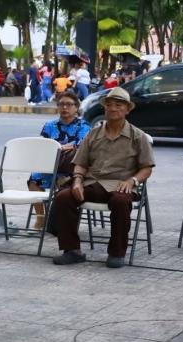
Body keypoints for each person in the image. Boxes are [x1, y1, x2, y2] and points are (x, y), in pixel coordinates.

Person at [50, 87, 155, 269]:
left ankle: (116, 252)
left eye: (118, 105)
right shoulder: (93, 133)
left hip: (120, 185)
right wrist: (76, 181)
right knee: (63, 197)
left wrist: (132, 181)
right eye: (109, 105)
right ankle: (72, 250)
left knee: (120, 202)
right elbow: (80, 162)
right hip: (93, 183)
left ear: (127, 109)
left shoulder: (138, 136)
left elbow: (146, 168)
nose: (113, 108)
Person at [28, 91, 90, 228]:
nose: (64, 108)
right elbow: (42, 145)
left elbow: (82, 146)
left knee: (66, 181)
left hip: (72, 169)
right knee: (34, 179)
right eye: (61, 104)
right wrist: (61, 147)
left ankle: (62, 222)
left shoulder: (84, 126)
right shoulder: (50, 125)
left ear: (76, 107)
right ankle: (41, 218)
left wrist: (60, 147)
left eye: (68, 104)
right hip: (51, 166)